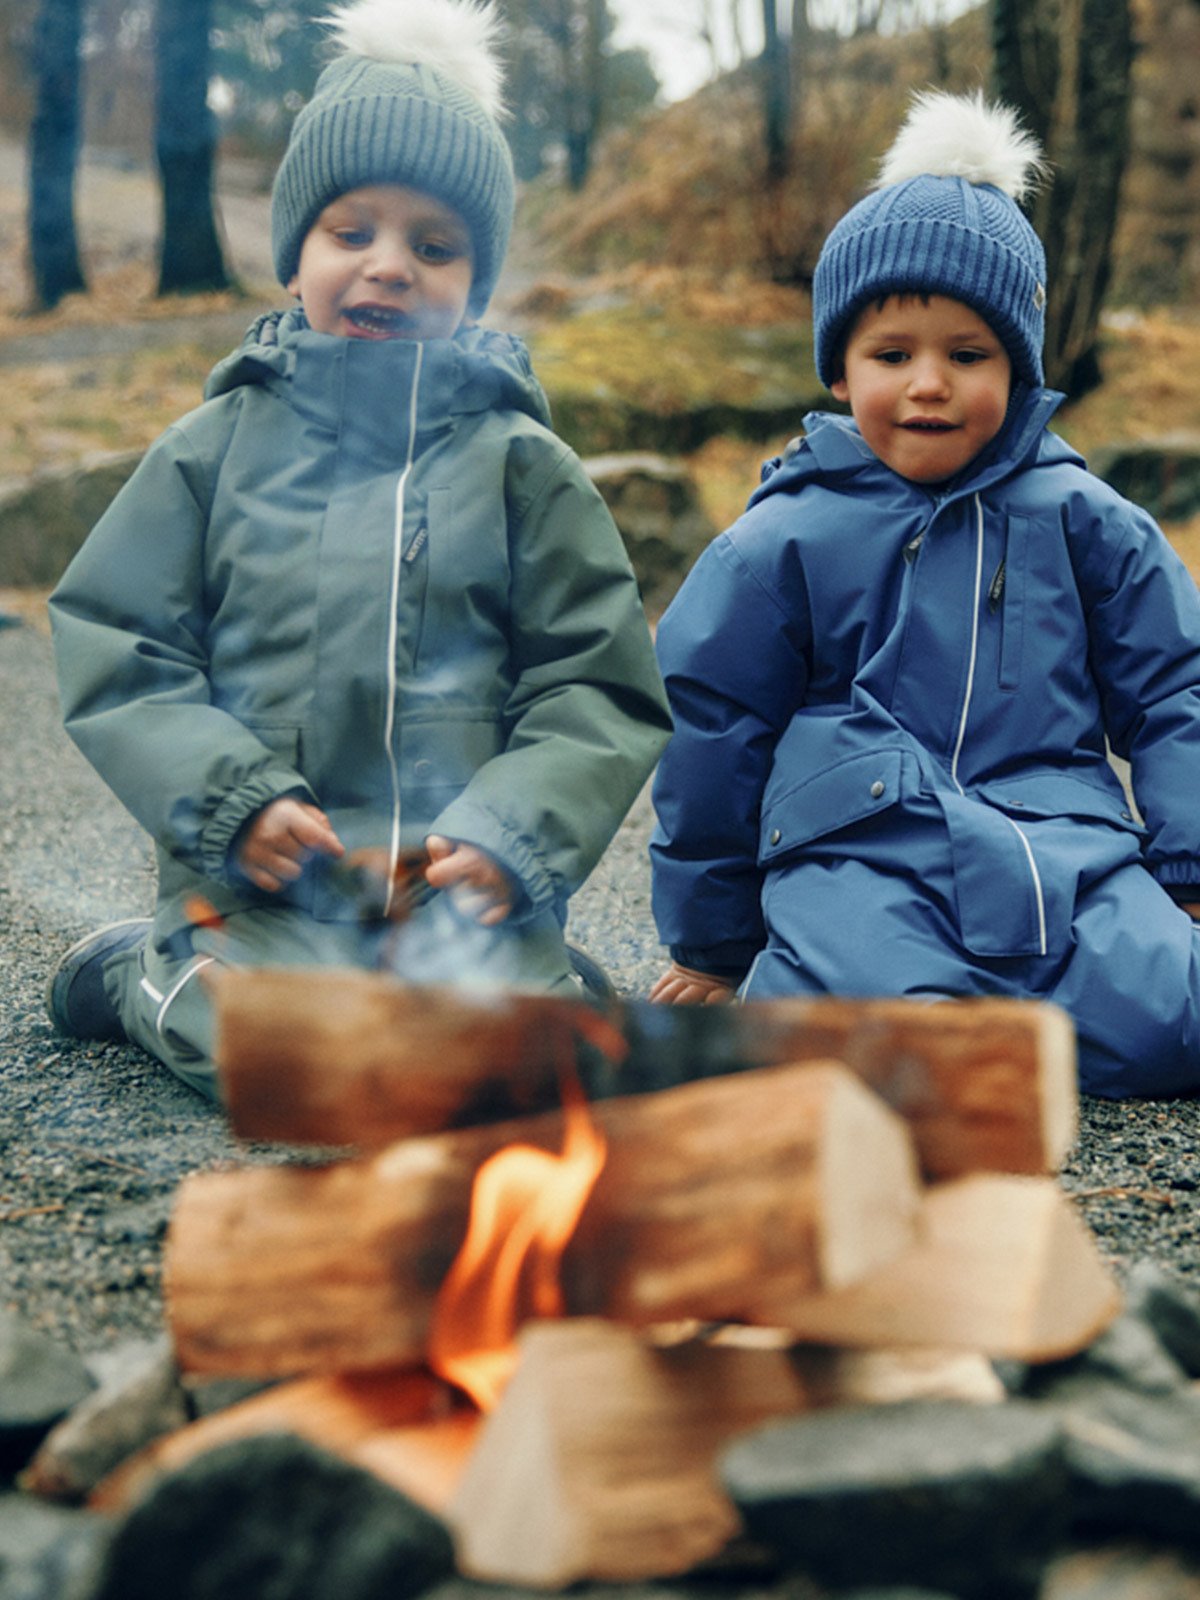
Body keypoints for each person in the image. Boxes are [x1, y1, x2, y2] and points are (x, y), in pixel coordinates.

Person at [45, 0, 670, 1100]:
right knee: (276, 1052)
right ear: (295, 260)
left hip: (453, 887)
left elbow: (594, 684)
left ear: (474, 287)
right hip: (261, 882)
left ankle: (536, 973)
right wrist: (231, 803)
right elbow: (121, 640)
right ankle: (138, 974)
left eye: (433, 247)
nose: (388, 267)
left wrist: (513, 836)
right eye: (352, 233)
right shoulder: (213, 450)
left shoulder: (525, 466)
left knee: (540, 1069)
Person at [649, 88, 1200, 1099]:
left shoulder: (1081, 517)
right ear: (839, 370)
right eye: (892, 355)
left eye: (969, 354)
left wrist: (1189, 862)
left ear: (1021, 367)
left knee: (1176, 1020)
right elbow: (709, 730)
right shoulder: (786, 537)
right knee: (854, 1022)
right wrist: (712, 945)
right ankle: (888, 1034)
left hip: (1061, 848)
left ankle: (1009, 1029)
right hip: (863, 850)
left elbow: (1177, 685)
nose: (929, 384)